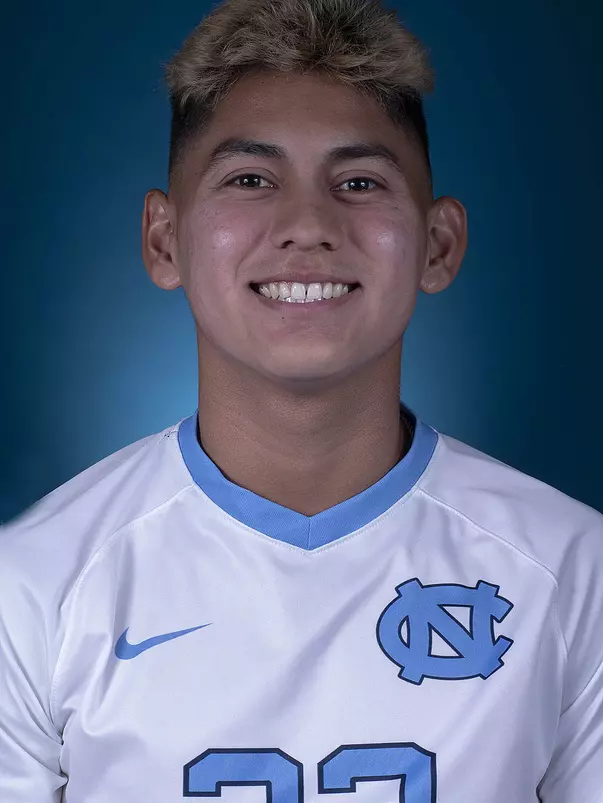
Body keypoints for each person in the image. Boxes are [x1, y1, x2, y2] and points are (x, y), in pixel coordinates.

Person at [1, 0, 602, 799]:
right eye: (250, 179)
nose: (308, 224)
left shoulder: (573, 570)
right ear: (164, 239)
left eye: (358, 181)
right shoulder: (33, 583)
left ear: (438, 244)